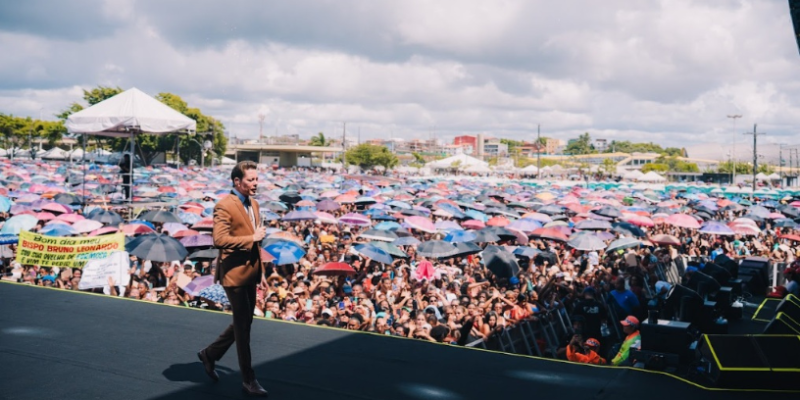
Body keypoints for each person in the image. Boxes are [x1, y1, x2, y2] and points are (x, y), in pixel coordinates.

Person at [198, 161, 269, 397]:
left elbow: (256, 241)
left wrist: (263, 273)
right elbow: (219, 239)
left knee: (245, 321)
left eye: (256, 179)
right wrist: (251, 237)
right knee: (243, 326)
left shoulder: (255, 204)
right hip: (233, 273)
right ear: (237, 182)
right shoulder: (224, 205)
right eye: (251, 180)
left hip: (251, 272)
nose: (255, 183)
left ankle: (210, 354)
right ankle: (249, 380)